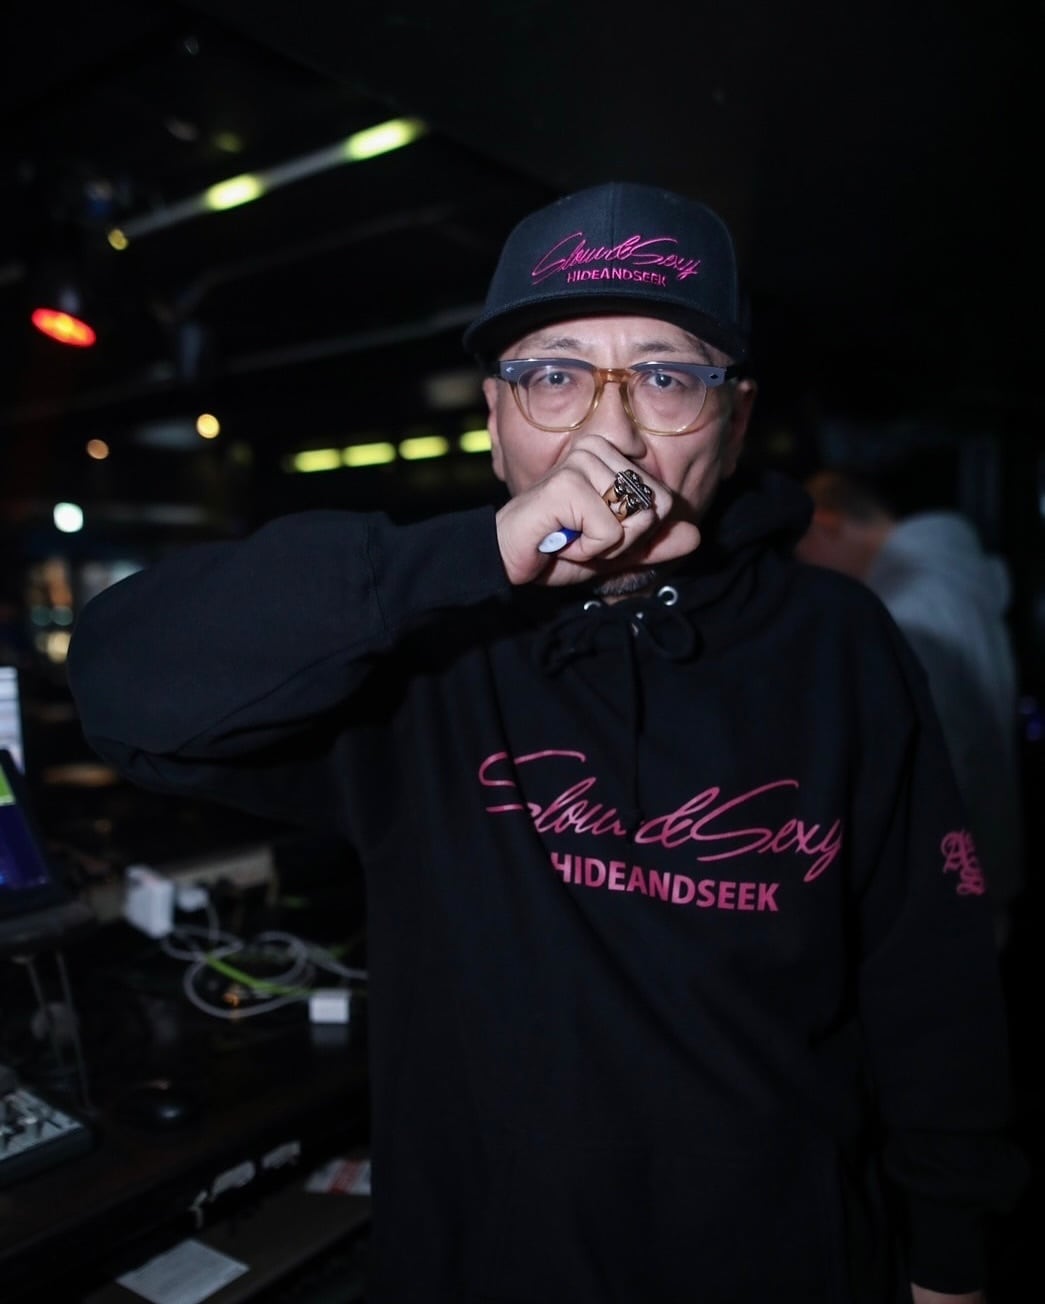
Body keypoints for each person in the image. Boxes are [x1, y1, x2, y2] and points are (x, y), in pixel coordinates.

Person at [66, 181, 1026, 1304]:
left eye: (664, 377)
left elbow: (928, 975)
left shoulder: (841, 643)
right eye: (555, 376)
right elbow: (125, 685)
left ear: (733, 420)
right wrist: (461, 561)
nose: (608, 434)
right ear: (495, 419)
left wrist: (949, 1259)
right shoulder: (426, 653)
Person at [795, 469, 1025, 946]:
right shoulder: (957, 578)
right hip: (986, 856)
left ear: (826, 524)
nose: (806, 567)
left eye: (804, 549)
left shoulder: (908, 609)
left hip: (947, 879)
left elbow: (940, 758)